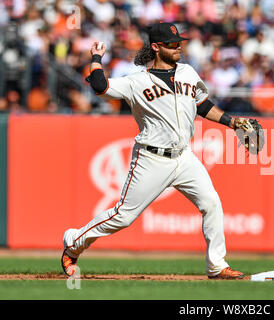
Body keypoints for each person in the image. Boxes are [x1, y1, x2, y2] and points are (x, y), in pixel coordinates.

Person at [61, 22, 245, 280]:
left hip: (184, 157)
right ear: (157, 47)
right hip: (151, 158)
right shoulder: (137, 82)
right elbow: (100, 86)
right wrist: (96, 58)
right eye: (171, 43)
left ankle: (216, 266)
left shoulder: (189, 73)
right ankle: (74, 242)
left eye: (179, 41)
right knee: (123, 217)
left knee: (212, 203)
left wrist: (232, 122)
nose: (178, 46)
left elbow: (203, 105)